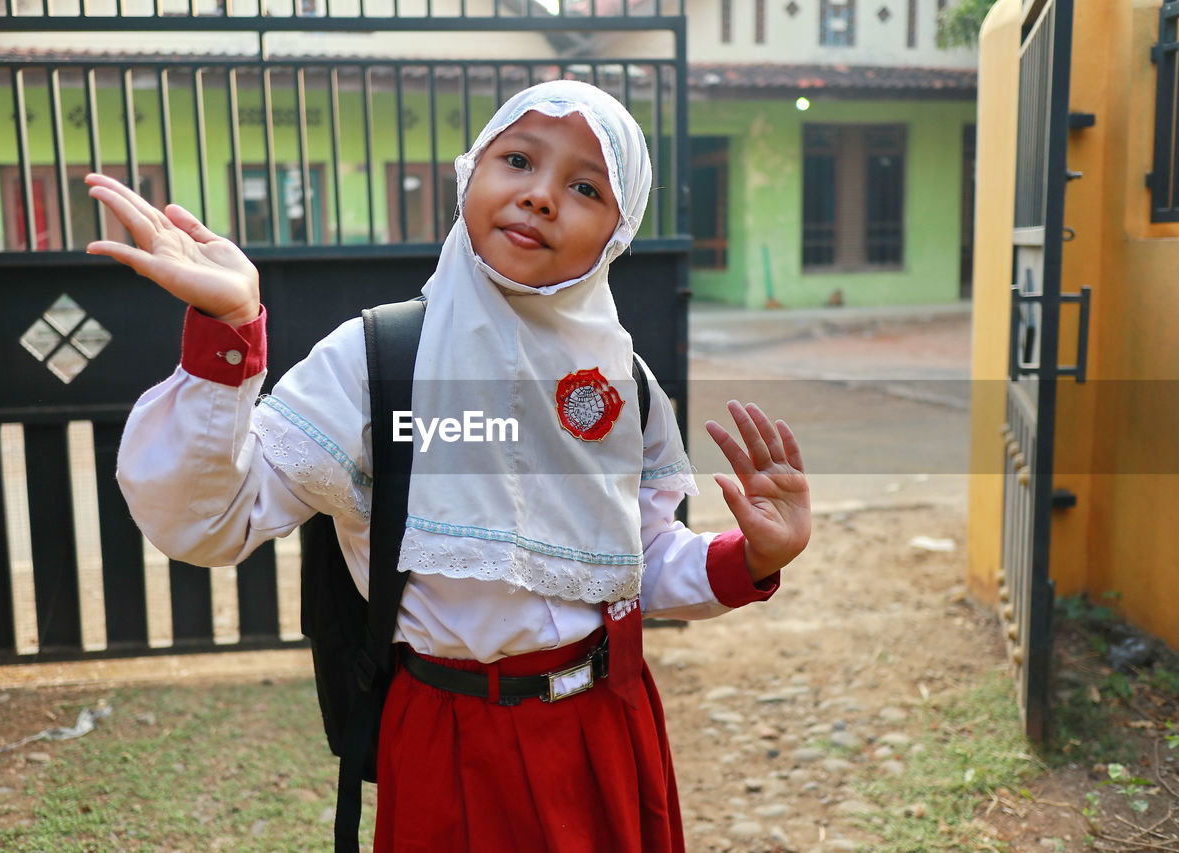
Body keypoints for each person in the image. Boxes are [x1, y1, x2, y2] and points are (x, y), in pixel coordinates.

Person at [93, 80, 811, 851]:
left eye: (584, 186)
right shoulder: (377, 361)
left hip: (604, 730)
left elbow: (634, 560)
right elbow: (212, 518)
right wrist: (227, 329)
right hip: (448, 738)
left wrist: (753, 557)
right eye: (517, 159)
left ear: (617, 231)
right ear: (472, 173)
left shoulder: (622, 382)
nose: (540, 196)